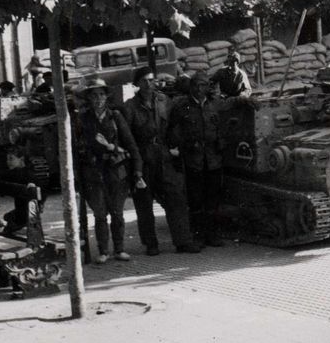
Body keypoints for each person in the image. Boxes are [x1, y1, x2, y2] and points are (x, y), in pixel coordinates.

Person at [122, 67, 202, 256]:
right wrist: (135, 163)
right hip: (143, 156)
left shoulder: (163, 101)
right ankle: (151, 244)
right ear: (137, 84)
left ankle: (183, 241)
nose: (150, 84)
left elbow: (174, 124)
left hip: (164, 154)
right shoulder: (130, 106)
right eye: (145, 81)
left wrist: (175, 145)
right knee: (144, 203)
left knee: (176, 197)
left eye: (152, 80)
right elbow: (127, 137)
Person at [74, 78, 142, 263]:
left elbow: (130, 143)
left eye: (101, 94)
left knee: (117, 213)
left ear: (106, 96)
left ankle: (119, 249)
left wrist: (137, 170)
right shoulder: (82, 119)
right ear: (89, 98)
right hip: (94, 172)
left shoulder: (115, 117)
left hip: (116, 171)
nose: (98, 98)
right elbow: (75, 148)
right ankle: (103, 250)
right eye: (94, 95)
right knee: (100, 214)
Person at [169, 71, 226, 247]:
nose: (202, 89)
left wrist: (220, 144)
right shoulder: (182, 107)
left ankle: (213, 234)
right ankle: (198, 235)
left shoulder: (213, 105)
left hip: (213, 159)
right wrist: (186, 145)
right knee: (196, 201)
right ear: (192, 87)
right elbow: (173, 133)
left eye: (205, 85)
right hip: (194, 160)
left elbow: (220, 127)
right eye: (199, 85)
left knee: (213, 200)